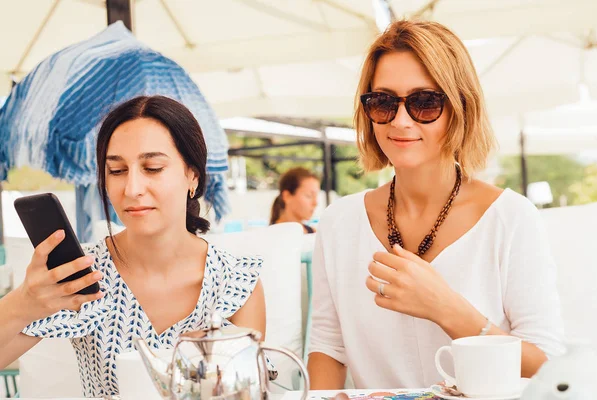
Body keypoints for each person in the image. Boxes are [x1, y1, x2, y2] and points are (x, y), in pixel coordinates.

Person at [307, 20, 564, 389]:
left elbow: (546, 364)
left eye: (423, 102)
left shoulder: (510, 217)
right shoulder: (338, 223)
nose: (400, 120)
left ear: (460, 106)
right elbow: (328, 347)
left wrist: (445, 308)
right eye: (382, 102)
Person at [0, 96, 268, 398]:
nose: (132, 189)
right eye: (116, 171)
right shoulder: (82, 276)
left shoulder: (235, 282)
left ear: (192, 175)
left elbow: (252, 389)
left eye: (152, 168)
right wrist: (23, 302)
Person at [270, 167, 320, 234]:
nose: (315, 203)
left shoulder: (313, 233)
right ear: (287, 196)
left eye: (316, 196)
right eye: (309, 196)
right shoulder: (271, 235)